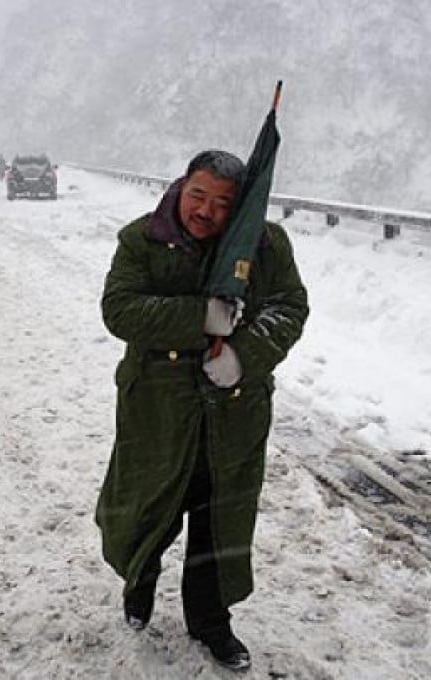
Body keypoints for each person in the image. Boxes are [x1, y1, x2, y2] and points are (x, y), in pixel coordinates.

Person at [95, 149, 309, 671]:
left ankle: (211, 622)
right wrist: (202, 317)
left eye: (221, 203)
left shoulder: (264, 244)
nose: (206, 211)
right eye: (198, 195)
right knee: (151, 509)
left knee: (219, 521)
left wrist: (243, 356)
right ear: (181, 187)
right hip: (159, 412)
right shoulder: (142, 239)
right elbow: (119, 310)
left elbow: (289, 307)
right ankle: (138, 588)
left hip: (233, 414)